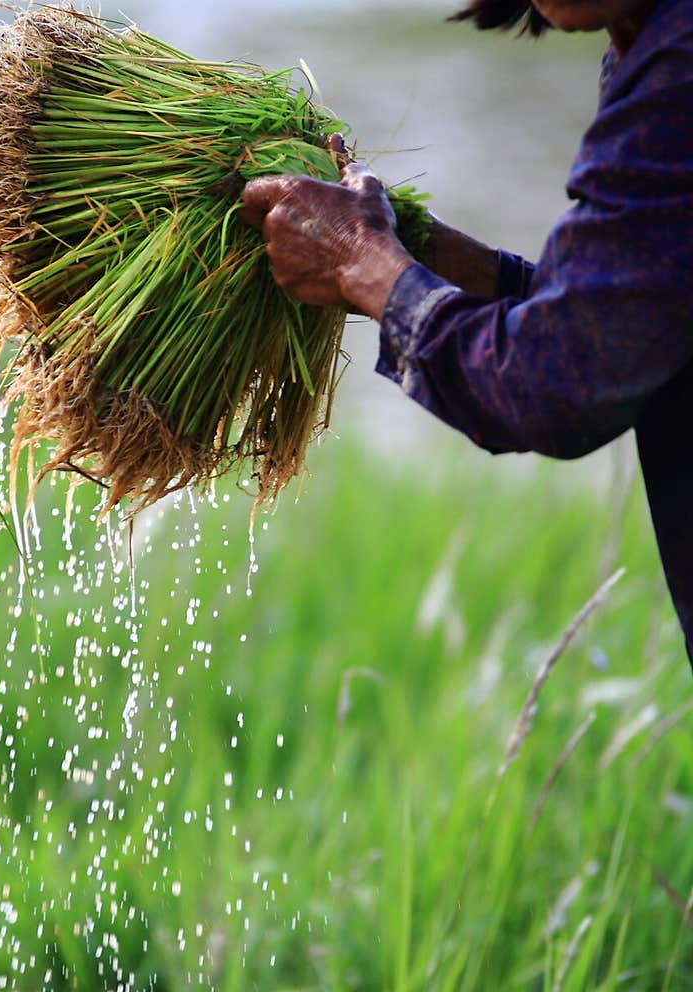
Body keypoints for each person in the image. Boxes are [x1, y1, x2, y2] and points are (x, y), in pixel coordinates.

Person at [242, 0, 693, 670]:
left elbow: (554, 381)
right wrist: (409, 250)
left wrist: (361, 264)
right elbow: (634, 317)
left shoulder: (678, 71)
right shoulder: (645, 44)